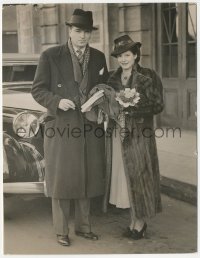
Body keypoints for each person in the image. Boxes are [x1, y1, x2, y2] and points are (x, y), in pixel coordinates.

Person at [31, 9, 109, 246]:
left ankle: (84, 227)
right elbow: (38, 90)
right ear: (70, 31)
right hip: (62, 127)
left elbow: (103, 88)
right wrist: (57, 102)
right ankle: (61, 230)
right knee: (62, 180)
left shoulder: (98, 57)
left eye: (87, 31)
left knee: (86, 177)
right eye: (78, 31)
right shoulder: (50, 55)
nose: (83, 36)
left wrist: (100, 101)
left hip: (89, 127)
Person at [103, 35, 164, 239]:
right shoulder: (112, 78)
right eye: (119, 55)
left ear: (135, 55)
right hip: (118, 135)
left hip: (139, 136)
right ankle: (132, 221)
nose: (123, 59)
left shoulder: (148, 76)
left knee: (139, 177)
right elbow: (107, 104)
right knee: (125, 179)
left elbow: (158, 105)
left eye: (127, 55)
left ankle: (140, 223)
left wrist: (132, 109)